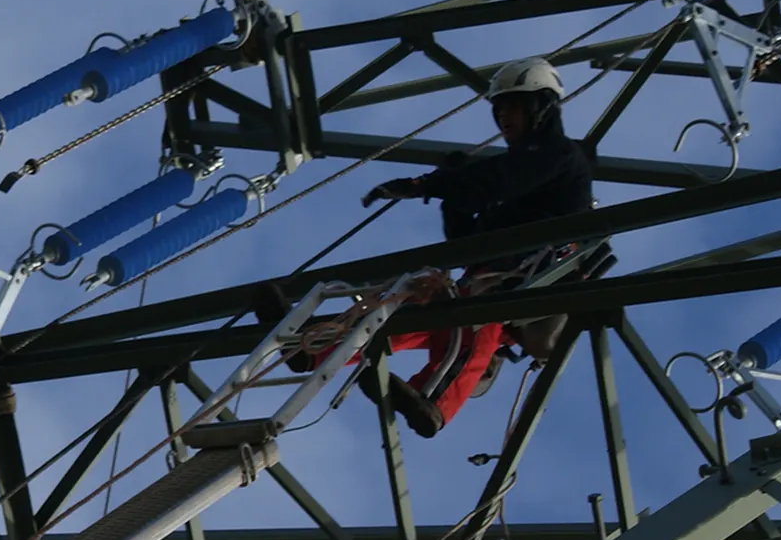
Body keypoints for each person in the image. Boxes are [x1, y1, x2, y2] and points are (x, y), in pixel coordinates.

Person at [253, 57, 595, 439]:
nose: (502, 118)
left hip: (528, 285)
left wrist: (428, 184)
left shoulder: (560, 155)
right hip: (494, 277)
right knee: (403, 309)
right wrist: (453, 193)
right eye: (498, 110)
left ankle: (434, 401)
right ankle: (309, 347)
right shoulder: (519, 189)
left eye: (512, 106)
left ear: (540, 106)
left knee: (474, 319)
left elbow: (497, 180)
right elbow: (469, 241)